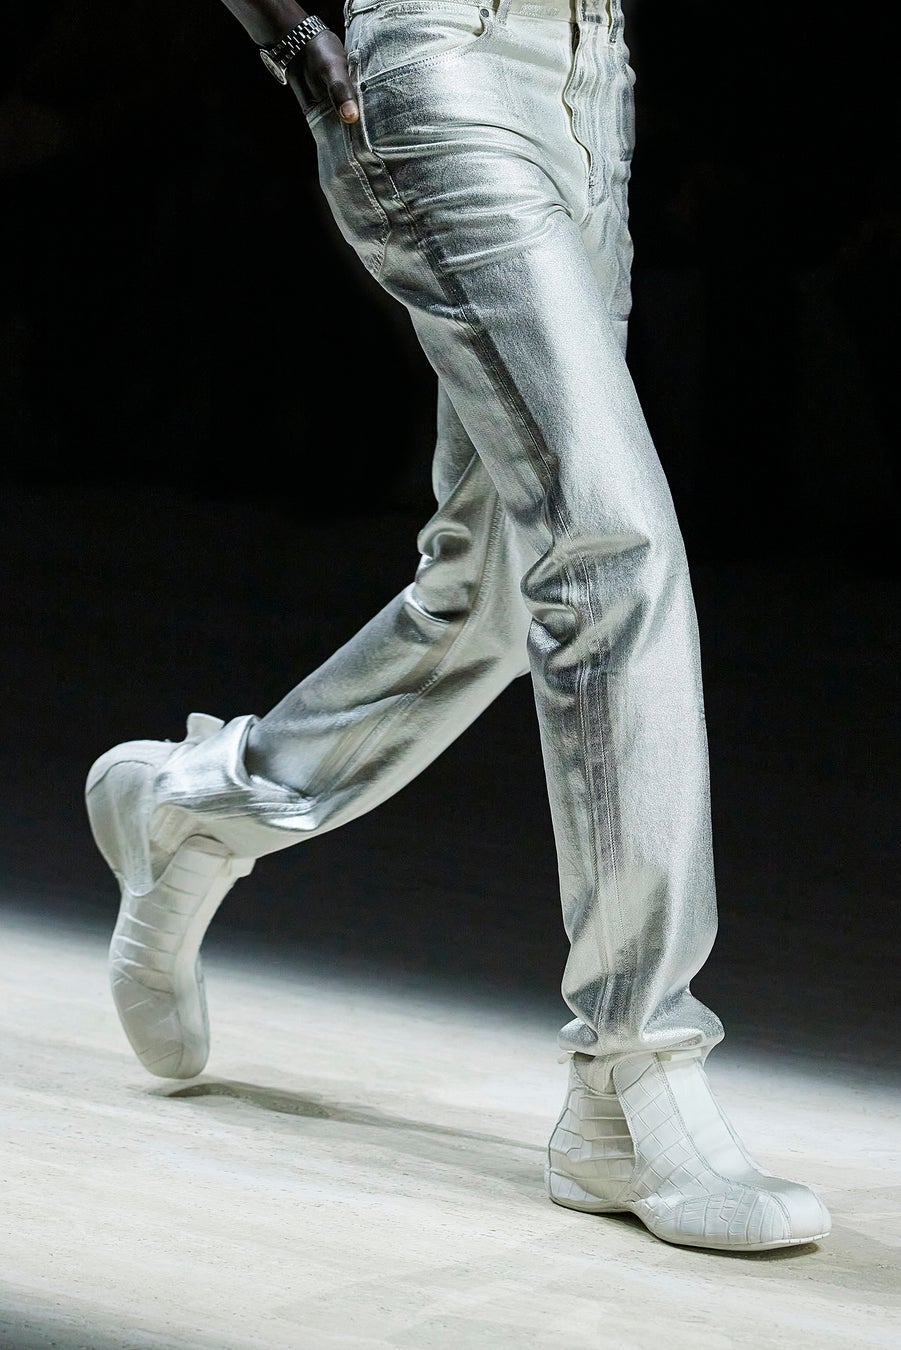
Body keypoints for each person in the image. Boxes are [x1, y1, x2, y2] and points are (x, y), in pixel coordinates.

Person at [85, 0, 831, 1253]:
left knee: (490, 588)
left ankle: (197, 806)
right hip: (443, 61)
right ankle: (630, 1069)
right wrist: (291, 41)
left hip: (592, 80)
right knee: (609, 545)